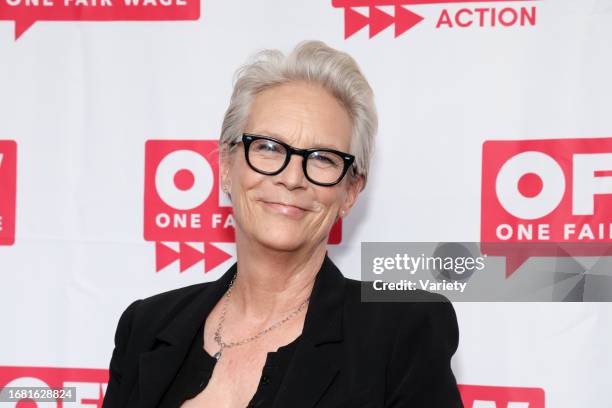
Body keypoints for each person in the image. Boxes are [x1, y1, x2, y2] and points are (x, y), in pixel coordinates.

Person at [102, 40, 463, 408]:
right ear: (227, 166)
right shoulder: (145, 326)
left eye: (323, 158)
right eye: (269, 148)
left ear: (350, 191)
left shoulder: (404, 331)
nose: (292, 178)